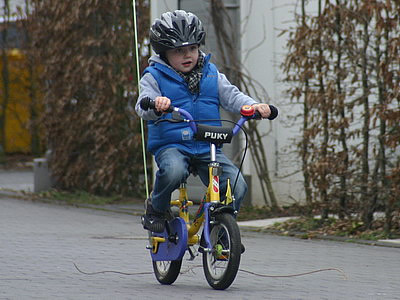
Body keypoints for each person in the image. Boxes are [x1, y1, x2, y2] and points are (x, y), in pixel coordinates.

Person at [136, 10, 272, 235]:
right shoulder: (154, 76)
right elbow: (142, 106)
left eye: (192, 48)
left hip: (206, 146)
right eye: (179, 51)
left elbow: (233, 96)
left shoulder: (211, 74)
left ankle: (221, 231)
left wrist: (254, 107)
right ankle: (157, 210)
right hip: (173, 145)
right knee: (173, 171)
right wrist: (155, 104)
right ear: (164, 53)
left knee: (236, 185)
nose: (187, 55)